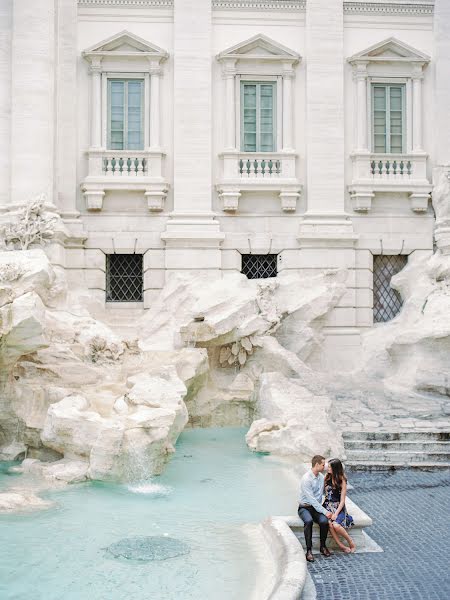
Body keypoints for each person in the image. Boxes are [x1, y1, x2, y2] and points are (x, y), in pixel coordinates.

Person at [298, 455, 333, 562]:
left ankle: (323, 546)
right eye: (323, 465)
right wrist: (325, 511)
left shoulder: (321, 477)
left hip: (316, 508)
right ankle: (309, 550)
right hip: (305, 508)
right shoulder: (306, 479)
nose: (324, 467)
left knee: (324, 521)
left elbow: (327, 491)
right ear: (317, 464)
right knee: (308, 521)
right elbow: (312, 500)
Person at [323, 458, 355, 554]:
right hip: (327, 505)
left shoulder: (342, 480)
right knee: (329, 523)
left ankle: (351, 542)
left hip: (338, 506)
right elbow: (325, 495)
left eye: (329, 467)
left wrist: (336, 513)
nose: (327, 468)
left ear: (335, 468)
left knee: (336, 525)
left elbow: (342, 501)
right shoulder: (327, 477)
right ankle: (341, 545)